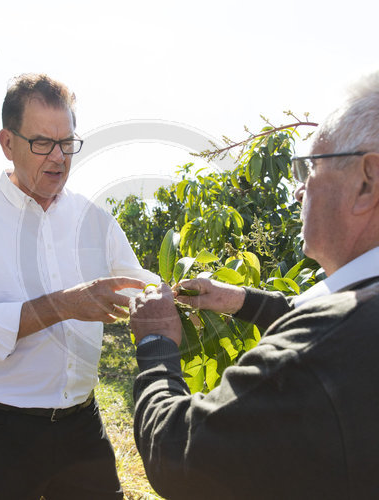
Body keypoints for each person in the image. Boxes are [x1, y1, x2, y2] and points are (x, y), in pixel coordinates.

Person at [129, 71, 379, 500]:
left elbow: (179, 453)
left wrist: (156, 342)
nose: (298, 192)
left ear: (366, 181)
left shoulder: (316, 351)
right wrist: (238, 300)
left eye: (308, 168)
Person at [0, 73, 158, 499]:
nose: (58, 157)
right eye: (42, 143)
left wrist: (187, 293)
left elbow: (136, 285)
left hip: (80, 425)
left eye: (67, 143)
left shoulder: (92, 218)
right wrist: (63, 305)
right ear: (7, 143)